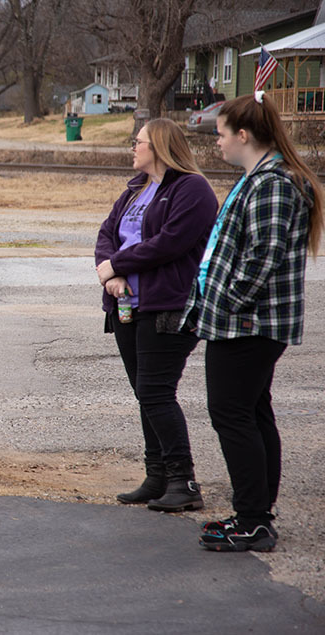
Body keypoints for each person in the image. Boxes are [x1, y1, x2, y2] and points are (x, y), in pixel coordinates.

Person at [181, 92, 323, 552]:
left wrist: (226, 303)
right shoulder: (259, 178)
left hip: (248, 324)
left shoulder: (273, 184)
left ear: (243, 135)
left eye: (221, 134)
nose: (217, 142)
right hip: (246, 322)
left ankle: (254, 519)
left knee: (231, 414)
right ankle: (256, 512)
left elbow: (263, 257)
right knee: (253, 412)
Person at [95, 118, 218, 512]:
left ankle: (184, 481)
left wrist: (117, 265)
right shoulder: (136, 189)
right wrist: (111, 276)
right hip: (127, 305)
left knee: (155, 391)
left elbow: (170, 243)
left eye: (140, 141)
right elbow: (106, 234)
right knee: (144, 394)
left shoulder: (191, 189)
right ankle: (158, 475)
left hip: (168, 304)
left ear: (160, 146)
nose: (133, 146)